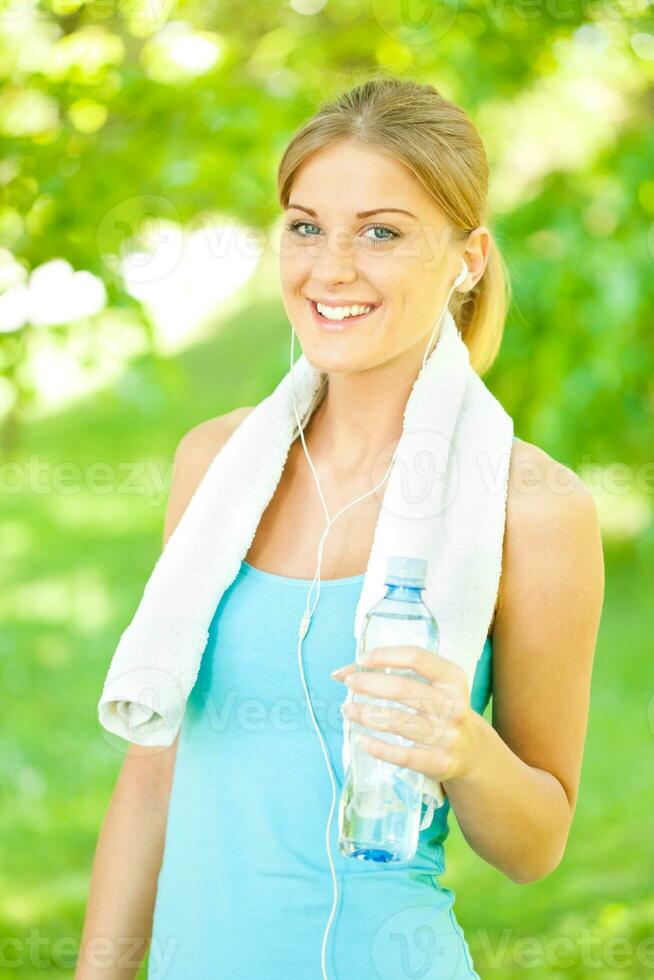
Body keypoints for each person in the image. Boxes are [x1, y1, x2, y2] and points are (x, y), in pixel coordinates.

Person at [76, 75, 605, 980]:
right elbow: (154, 776)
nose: (331, 268)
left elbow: (536, 845)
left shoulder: (533, 509)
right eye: (306, 225)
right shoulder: (216, 465)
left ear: (467, 258)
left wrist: (466, 749)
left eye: (383, 232)